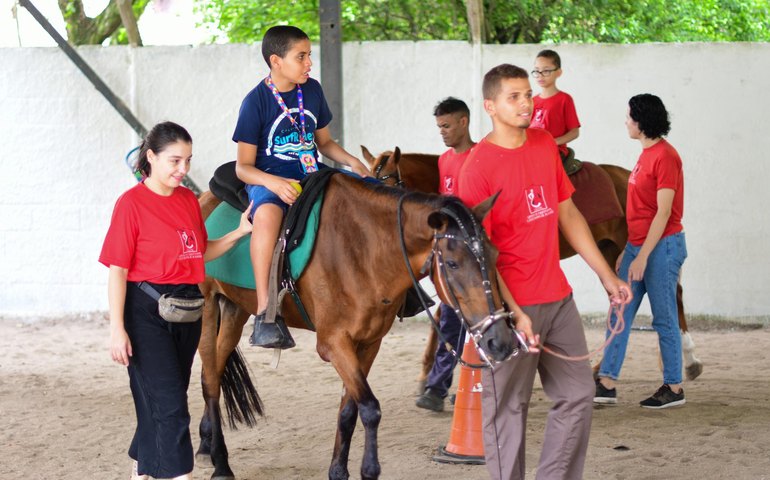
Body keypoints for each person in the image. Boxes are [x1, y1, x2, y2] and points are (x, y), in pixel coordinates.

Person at [457, 64, 632, 480]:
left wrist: (607, 276)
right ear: (490, 106)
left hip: (558, 297)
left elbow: (567, 213)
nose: (526, 103)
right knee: (507, 407)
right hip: (509, 309)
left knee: (578, 394)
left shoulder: (542, 144)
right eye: (514, 97)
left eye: (528, 95)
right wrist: (514, 312)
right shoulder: (476, 169)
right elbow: (480, 256)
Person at [99, 122, 253, 480]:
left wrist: (239, 232)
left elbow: (199, 251)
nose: (183, 169)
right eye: (174, 161)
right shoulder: (131, 204)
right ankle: (179, 474)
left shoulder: (187, 201)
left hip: (187, 311)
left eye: (188, 160)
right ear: (151, 157)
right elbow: (118, 271)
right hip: (145, 312)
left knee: (162, 396)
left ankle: (142, 464)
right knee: (173, 408)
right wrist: (117, 329)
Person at [233, 25, 370, 349]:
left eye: (309, 55)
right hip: (270, 178)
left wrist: (353, 162)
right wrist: (274, 183)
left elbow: (324, 143)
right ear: (276, 61)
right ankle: (265, 312)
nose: (309, 63)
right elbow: (243, 167)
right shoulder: (255, 102)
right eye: (301, 56)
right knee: (267, 218)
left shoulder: (312, 90)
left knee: (368, 195)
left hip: (313, 173)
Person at [594, 94, 687, 409]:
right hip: (639, 245)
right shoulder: (646, 154)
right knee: (619, 310)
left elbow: (663, 213)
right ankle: (606, 382)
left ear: (642, 121)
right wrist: (629, 248)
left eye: (629, 116)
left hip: (663, 246)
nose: (626, 122)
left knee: (664, 318)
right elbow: (641, 212)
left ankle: (673, 387)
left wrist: (643, 255)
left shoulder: (666, 157)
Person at [415, 97, 474, 412]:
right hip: (451, 255)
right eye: (439, 127)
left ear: (464, 122)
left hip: (475, 256)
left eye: (447, 125)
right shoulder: (444, 161)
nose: (442, 132)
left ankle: (469, 385)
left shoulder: (482, 156)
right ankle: (437, 388)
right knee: (450, 320)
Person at [530, 49, 582, 175]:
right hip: (532, 150)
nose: (540, 75)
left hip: (554, 152)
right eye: (537, 71)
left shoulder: (564, 99)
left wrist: (552, 142)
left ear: (558, 72)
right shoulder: (531, 101)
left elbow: (574, 132)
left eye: (546, 71)